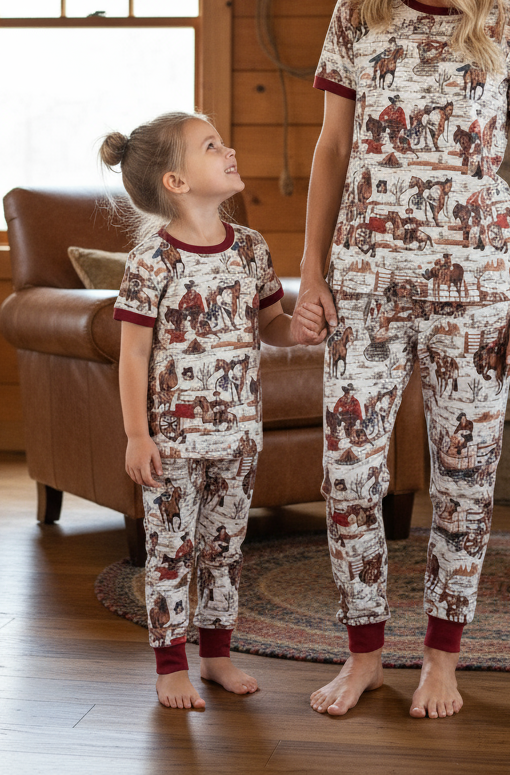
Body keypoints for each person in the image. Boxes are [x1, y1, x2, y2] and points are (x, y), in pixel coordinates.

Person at [290, 0, 510, 719]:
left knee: (465, 478)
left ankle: (442, 658)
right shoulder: (356, 14)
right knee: (348, 476)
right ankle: (364, 649)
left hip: (478, 295)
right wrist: (311, 272)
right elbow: (331, 152)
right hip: (364, 286)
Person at [102, 111, 299, 710]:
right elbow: (133, 355)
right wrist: (138, 434)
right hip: (174, 445)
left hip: (240, 439)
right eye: (211, 146)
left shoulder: (253, 249)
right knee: (171, 551)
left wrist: (306, 328)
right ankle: (170, 667)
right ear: (176, 182)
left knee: (225, 549)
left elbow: (272, 327)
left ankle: (216, 656)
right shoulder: (151, 262)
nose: (230, 150)